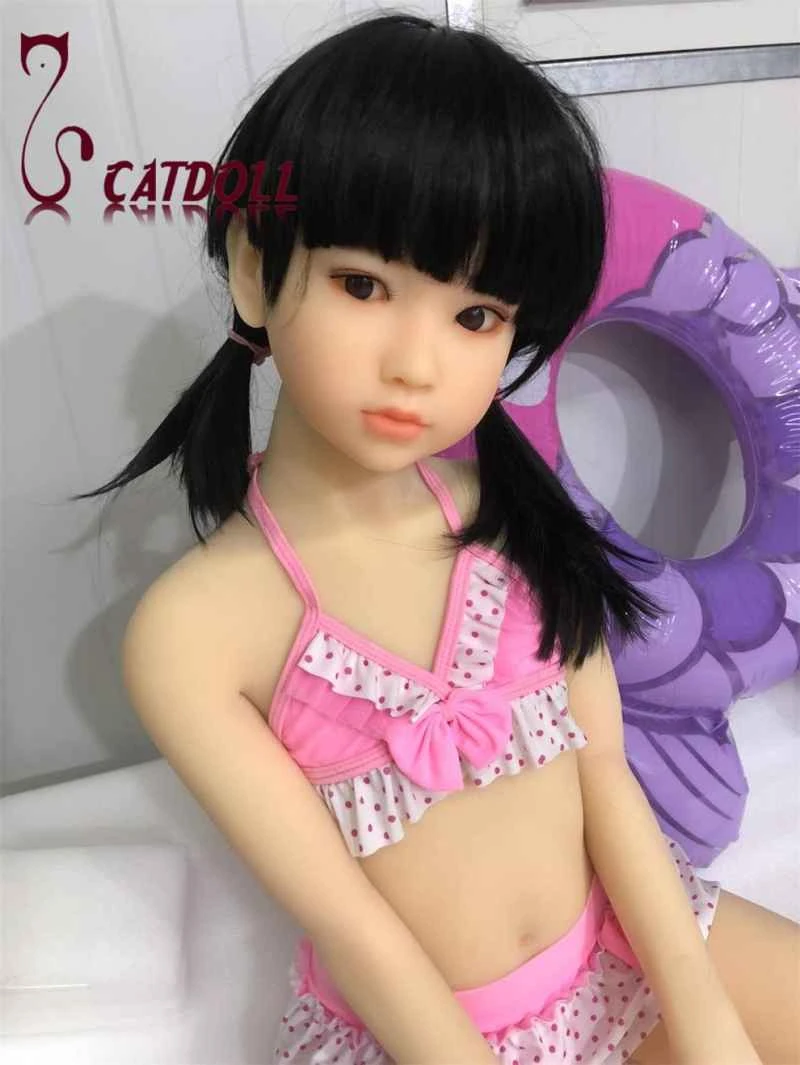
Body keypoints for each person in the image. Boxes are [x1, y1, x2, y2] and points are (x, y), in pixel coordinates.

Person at [72, 12, 799, 1065]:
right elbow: (352, 927)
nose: (417, 364)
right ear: (254, 272)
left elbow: (604, 774)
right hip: (435, 1037)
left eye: (476, 316)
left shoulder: (516, 514)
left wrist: (702, 1012)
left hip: (625, 948)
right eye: (363, 285)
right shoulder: (192, 633)